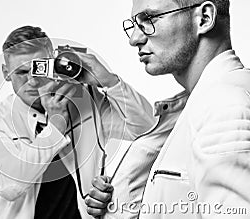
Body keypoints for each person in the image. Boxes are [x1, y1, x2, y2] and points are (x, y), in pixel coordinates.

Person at [85, 0, 250, 218]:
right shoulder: (194, 103)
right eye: (134, 24)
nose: (135, 39)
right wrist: (117, 203)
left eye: (149, 19)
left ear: (204, 19)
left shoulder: (224, 105)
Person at [0, 25, 155, 219]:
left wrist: (109, 82)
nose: (32, 81)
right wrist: (55, 127)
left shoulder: (85, 103)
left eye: (38, 68)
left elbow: (147, 128)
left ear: (52, 64)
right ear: (6, 73)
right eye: (21, 72)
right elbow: (8, 186)